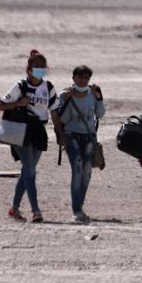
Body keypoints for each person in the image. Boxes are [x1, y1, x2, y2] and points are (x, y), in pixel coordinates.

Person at [0, 49, 58, 223]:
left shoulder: (48, 88)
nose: (40, 69)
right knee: (30, 171)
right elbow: (0, 106)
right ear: (29, 69)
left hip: (39, 131)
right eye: (37, 66)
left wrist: (60, 133)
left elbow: (54, 112)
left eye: (42, 66)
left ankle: (14, 209)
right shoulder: (20, 86)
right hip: (21, 130)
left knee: (27, 171)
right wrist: (18, 103)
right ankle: (36, 211)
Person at [51, 65, 106, 224]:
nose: (83, 80)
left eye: (86, 78)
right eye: (80, 77)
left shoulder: (93, 93)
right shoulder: (65, 94)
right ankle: (76, 210)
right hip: (71, 135)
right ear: (74, 78)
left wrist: (99, 98)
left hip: (89, 136)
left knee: (87, 171)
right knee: (77, 168)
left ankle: (79, 205)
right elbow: (62, 119)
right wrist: (67, 102)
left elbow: (100, 114)